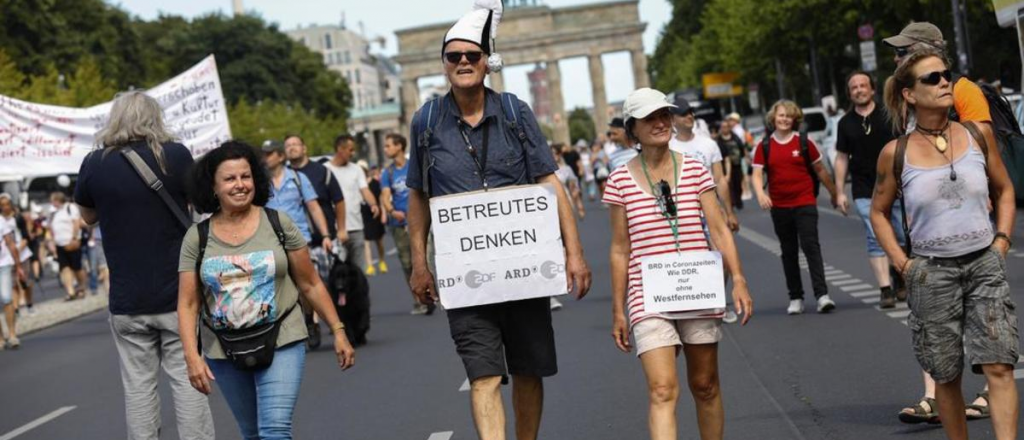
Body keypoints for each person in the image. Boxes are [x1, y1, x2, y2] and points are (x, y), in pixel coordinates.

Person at [406, 2, 592, 438]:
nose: (464, 63)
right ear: (444, 64)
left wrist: (575, 253)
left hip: (525, 269)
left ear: (488, 62)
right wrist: (419, 262)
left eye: (473, 55)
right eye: (455, 57)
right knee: (484, 375)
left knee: (529, 371)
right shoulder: (426, 122)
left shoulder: (514, 111)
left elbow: (549, 181)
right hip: (466, 276)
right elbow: (418, 194)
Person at [872, 49, 1018, 440]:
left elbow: (1004, 190)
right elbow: (878, 213)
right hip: (931, 272)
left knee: (1000, 364)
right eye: (932, 79)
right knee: (946, 374)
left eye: (946, 75)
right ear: (909, 95)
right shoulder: (895, 153)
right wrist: (904, 265)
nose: (944, 83)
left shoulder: (977, 134)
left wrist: (1001, 240)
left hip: (984, 263)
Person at [178, 141, 355, 440]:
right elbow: (188, 304)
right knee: (251, 433)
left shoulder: (278, 223)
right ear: (213, 187)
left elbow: (310, 283)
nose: (240, 185)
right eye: (230, 179)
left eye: (245, 177)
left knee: (274, 429)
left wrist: (337, 329)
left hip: (282, 337)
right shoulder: (197, 238)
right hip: (224, 347)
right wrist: (191, 357)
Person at [605, 88, 753, 440]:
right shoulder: (619, 181)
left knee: (705, 385)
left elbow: (718, 229)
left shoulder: (696, 170)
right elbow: (619, 249)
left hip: (696, 284)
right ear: (633, 130)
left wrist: (740, 279)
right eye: (649, 118)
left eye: (663, 116)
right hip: (648, 294)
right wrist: (618, 310)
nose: (660, 123)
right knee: (662, 389)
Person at [74, 90, 214, 439]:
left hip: (126, 300)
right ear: (154, 118)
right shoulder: (175, 155)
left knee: (138, 387)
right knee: (188, 378)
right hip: (177, 295)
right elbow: (202, 202)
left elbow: (88, 215)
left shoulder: (94, 163)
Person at [751, 100, 840, 315]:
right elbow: (756, 174)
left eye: (788, 116)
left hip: (804, 201)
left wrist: (836, 193)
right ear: (773, 118)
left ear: (794, 120)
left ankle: (822, 295)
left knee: (811, 247)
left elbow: (820, 170)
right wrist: (761, 193)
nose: (784, 119)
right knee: (788, 251)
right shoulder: (764, 146)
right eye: (780, 115)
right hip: (780, 205)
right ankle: (796, 297)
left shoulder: (804, 142)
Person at [833, 71, 904, 309]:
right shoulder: (845, 123)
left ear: (872, 89)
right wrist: (839, 191)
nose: (859, 90)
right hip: (864, 189)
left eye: (863, 85)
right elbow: (842, 158)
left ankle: (900, 275)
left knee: (902, 235)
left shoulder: (888, 114)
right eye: (854, 87)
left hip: (896, 185)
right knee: (875, 235)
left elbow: (905, 147)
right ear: (849, 93)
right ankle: (885, 289)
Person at [282, 134, 347, 348]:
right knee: (306, 286)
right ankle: (312, 323)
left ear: (304, 147)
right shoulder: (281, 176)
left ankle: (336, 323)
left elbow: (337, 201)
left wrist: (339, 229)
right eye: (288, 145)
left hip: (323, 239)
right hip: (298, 242)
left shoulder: (320, 172)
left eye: (295, 144)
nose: (292, 148)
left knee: (326, 284)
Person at [380, 133, 433, 315]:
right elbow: (385, 196)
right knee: (406, 262)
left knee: (427, 257)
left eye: (388, 145)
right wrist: (391, 210)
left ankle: (433, 294)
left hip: (420, 221)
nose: (385, 149)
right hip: (399, 223)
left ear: (399, 146)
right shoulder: (387, 173)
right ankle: (419, 300)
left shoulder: (413, 166)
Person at [669, 97, 739, 231]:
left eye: (690, 112)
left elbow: (720, 180)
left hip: (712, 210)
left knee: (721, 251)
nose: (689, 116)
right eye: (683, 114)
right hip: (684, 216)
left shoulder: (709, 144)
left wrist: (730, 213)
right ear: (672, 120)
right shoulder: (668, 148)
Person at [324, 135, 380, 273]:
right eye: (350, 149)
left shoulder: (356, 169)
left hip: (356, 228)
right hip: (335, 231)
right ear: (340, 149)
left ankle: (361, 295)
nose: (352, 153)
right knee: (339, 272)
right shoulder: (325, 170)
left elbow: (364, 190)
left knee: (359, 273)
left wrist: (373, 204)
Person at [49, 192, 86, 301]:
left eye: (53, 200)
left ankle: (82, 287)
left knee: (77, 268)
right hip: (60, 244)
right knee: (64, 268)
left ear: (58, 200)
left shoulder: (70, 208)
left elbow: (76, 223)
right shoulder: (54, 212)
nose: (52, 203)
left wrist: (74, 238)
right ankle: (70, 292)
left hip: (71, 242)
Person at [0, 195, 26, 349]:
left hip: (3, 264)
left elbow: (10, 243)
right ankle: (1, 339)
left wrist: (18, 266)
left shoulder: (1, 221)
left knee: (6, 298)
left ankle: (12, 334)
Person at [361, 164, 387, 276]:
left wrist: (383, 214)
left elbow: (381, 199)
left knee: (379, 241)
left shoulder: (375, 183)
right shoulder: (359, 185)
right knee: (366, 241)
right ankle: (370, 265)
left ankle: (381, 261)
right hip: (364, 214)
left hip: (376, 214)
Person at [716, 121, 747, 211]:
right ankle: (733, 202)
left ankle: (738, 198)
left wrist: (742, 157)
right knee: (730, 184)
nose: (725, 129)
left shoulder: (735, 137)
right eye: (723, 127)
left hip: (737, 164)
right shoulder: (719, 140)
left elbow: (741, 147)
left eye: (726, 127)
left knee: (738, 183)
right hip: (725, 166)